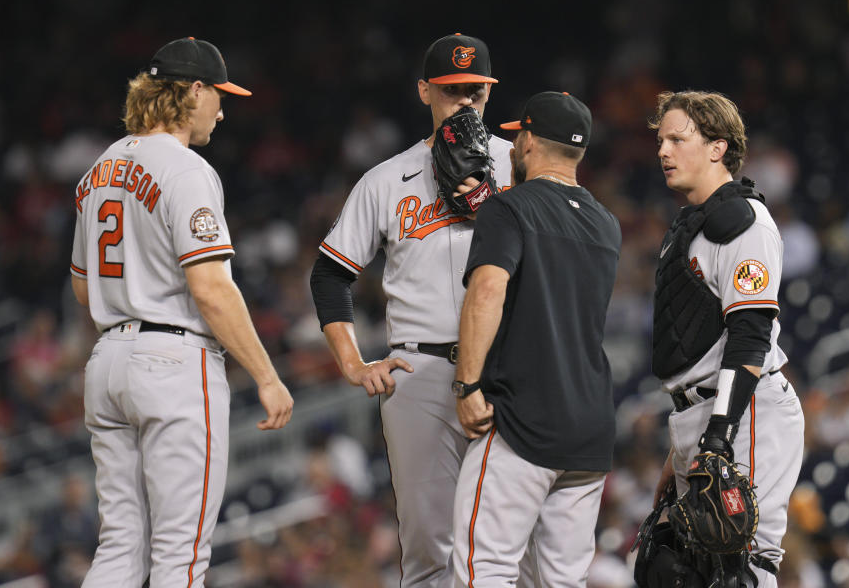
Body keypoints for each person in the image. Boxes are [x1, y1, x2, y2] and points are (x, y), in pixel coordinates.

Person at [69, 37, 294, 587]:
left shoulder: (99, 168)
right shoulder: (185, 169)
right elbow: (212, 289)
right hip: (172, 363)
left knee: (120, 547)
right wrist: (266, 376)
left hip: (107, 359)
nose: (223, 107)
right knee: (180, 556)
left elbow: (82, 289)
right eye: (219, 95)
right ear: (193, 91)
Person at [309, 33, 512, 587]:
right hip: (419, 371)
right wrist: (352, 362)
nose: (465, 102)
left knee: (512, 543)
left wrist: (495, 211)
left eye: (475, 90)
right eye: (451, 91)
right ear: (425, 91)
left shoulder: (520, 164)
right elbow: (330, 273)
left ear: (489, 94)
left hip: (506, 367)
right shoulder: (385, 179)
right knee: (426, 548)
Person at [451, 91, 622, 587]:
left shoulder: (510, 209)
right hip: (589, 427)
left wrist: (467, 385)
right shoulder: (607, 224)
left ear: (525, 141)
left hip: (525, 419)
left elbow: (487, 291)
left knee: (484, 572)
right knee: (560, 582)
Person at [648, 90, 804, 586]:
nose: (663, 150)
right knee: (673, 565)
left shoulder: (746, 223)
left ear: (718, 148)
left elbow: (750, 337)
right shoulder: (691, 224)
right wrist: (684, 451)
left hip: (745, 412)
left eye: (677, 138)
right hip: (702, 413)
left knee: (739, 565)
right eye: (660, 140)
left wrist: (718, 437)